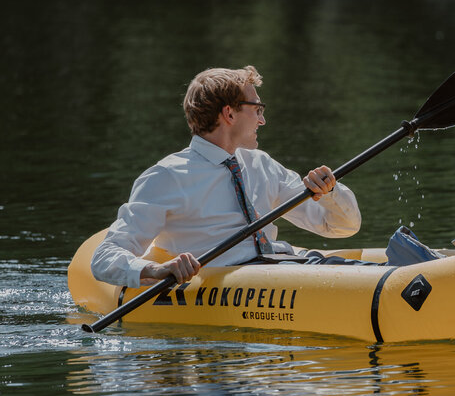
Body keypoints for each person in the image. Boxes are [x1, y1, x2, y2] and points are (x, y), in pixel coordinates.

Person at [91, 65, 363, 288]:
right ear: (229, 113)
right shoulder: (166, 176)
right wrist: (157, 269)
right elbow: (104, 257)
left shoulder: (262, 164)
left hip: (285, 266)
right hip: (241, 281)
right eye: (257, 109)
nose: (262, 120)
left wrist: (331, 193)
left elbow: (341, 227)